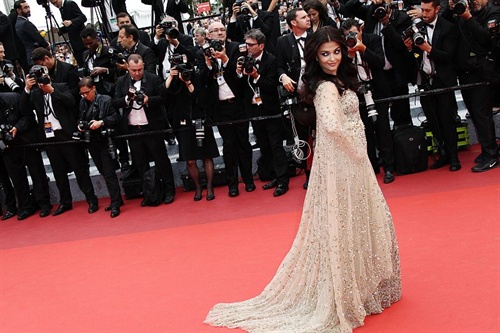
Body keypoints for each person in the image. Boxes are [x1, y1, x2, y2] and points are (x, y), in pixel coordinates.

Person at [205, 26, 401, 332]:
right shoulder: (324, 87)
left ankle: (358, 287)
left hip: (348, 161)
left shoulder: (339, 78)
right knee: (351, 219)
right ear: (315, 56)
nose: (333, 58)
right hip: (346, 160)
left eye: (337, 51)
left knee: (356, 218)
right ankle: (347, 290)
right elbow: (333, 126)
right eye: (325, 54)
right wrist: (359, 150)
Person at [21, 66, 99, 216]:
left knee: (79, 168)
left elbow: (71, 102)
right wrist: (26, 88)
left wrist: (52, 91)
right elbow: (23, 108)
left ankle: (91, 199)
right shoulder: (35, 93)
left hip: (66, 135)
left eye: (41, 73)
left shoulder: (61, 86)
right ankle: (65, 202)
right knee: (58, 173)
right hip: (49, 138)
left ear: (48, 74)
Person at [197, 21, 256, 198]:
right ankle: (232, 184)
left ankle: (249, 180)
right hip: (220, 107)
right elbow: (203, 81)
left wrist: (224, 59)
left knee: (244, 143)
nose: (220, 33)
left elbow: (240, 78)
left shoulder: (236, 48)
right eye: (215, 30)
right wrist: (208, 64)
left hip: (238, 104)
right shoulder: (203, 53)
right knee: (229, 146)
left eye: (222, 29)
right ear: (209, 35)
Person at [442, 0, 500, 172]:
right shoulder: (464, 12)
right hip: (465, 73)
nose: (474, 1)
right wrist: (451, 8)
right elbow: (447, 27)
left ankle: (491, 155)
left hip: (481, 74)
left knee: (482, 115)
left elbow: (485, 38)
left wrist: (468, 17)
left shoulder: (493, 12)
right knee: (475, 114)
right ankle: (487, 150)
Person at [112, 54, 176, 206]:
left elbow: (162, 98)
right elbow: (115, 102)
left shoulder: (153, 78)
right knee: (140, 164)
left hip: (152, 127)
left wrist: (148, 100)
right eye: (133, 70)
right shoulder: (121, 81)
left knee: (162, 161)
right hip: (133, 129)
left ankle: (169, 190)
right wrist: (128, 99)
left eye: (140, 69)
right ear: (127, 68)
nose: (137, 73)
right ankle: (149, 194)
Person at [404, 0, 461, 171]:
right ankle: (442, 154)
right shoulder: (418, 27)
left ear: (437, 9)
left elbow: (449, 56)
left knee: (447, 120)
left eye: (428, 10)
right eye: (422, 10)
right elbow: (415, 56)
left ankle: (454, 158)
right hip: (425, 81)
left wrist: (428, 49)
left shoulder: (448, 27)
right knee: (433, 121)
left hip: (443, 81)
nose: (425, 14)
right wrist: (410, 49)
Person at [341, 18, 396, 183]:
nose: (352, 37)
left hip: (378, 90)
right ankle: (371, 168)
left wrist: (364, 49)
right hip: (358, 94)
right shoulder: (344, 47)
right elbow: (344, 73)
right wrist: (350, 55)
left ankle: (389, 168)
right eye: (348, 35)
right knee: (365, 133)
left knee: (383, 129)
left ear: (361, 30)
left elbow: (381, 63)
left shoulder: (373, 39)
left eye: (354, 33)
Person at [238, 29, 290, 196]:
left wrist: (256, 75)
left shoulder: (271, 60)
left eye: (251, 45)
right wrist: (240, 73)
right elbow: (241, 89)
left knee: (276, 146)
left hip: (270, 110)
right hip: (254, 111)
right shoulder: (245, 60)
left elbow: (271, 85)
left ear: (261, 45)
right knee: (265, 147)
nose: (247, 47)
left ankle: (283, 181)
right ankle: (274, 176)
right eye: (246, 44)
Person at [164, 59, 219, 201]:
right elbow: (163, 94)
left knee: (207, 155)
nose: (184, 73)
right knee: (190, 160)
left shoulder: (197, 79)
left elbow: (199, 97)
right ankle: (198, 187)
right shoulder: (174, 83)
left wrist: (188, 82)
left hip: (200, 120)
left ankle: (209, 186)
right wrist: (171, 76)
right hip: (183, 124)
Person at [78, 77, 123, 217]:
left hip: (105, 140)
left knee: (109, 173)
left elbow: (116, 118)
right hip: (92, 142)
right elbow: (81, 118)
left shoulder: (106, 100)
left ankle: (116, 202)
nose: (85, 95)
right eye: (82, 93)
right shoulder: (82, 103)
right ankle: (117, 199)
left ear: (94, 89)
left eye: (87, 92)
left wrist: (101, 122)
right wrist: (80, 125)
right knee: (103, 171)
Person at [49, 0, 87, 67]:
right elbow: (68, 26)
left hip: (81, 40)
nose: (55, 5)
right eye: (53, 4)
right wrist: (58, 30)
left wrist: (71, 21)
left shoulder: (70, 4)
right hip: (74, 43)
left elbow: (83, 18)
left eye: (56, 2)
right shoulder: (61, 9)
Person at [14, 0, 50, 67]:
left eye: (28, 7)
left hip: (30, 55)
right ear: (18, 10)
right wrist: (46, 45)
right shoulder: (25, 23)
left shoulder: (18, 23)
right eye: (25, 8)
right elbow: (37, 38)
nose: (28, 9)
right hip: (36, 55)